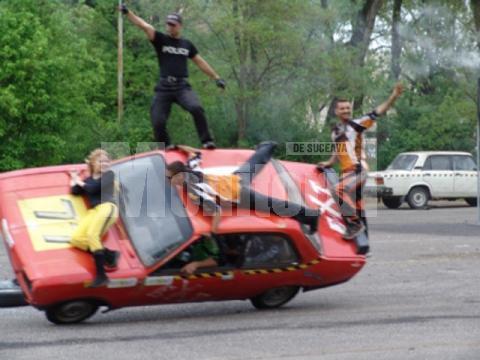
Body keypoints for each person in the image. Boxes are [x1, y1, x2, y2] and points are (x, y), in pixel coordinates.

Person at [120, 5, 225, 150]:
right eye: (168, 24)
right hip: (164, 87)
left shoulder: (187, 44)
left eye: (173, 25)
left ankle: (207, 141)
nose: (170, 27)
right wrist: (128, 12)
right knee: (157, 121)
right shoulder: (161, 40)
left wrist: (216, 77)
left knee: (196, 108)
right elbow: (144, 25)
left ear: (180, 26)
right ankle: (166, 146)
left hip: (182, 87)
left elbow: (200, 62)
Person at [166, 142, 320, 234]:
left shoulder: (194, 190)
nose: (167, 180)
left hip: (239, 195)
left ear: (179, 176)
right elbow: (194, 153)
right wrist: (178, 146)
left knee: (276, 206)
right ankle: (268, 146)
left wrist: (213, 232)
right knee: (252, 164)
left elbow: (217, 211)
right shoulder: (190, 168)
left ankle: (311, 216)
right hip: (233, 179)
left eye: (169, 177)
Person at [316, 83, 404, 240]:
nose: (346, 110)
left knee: (337, 191)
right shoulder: (336, 131)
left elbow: (378, 112)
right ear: (336, 111)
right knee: (356, 205)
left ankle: (355, 225)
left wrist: (393, 96)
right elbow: (338, 150)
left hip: (358, 170)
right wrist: (329, 162)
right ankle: (362, 242)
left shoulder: (357, 124)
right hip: (346, 173)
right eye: (342, 108)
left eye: (348, 108)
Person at [70, 149, 120, 288]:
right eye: (100, 161)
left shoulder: (109, 175)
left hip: (107, 207)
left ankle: (101, 276)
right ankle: (109, 255)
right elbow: (74, 191)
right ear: (93, 164)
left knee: (92, 235)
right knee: (77, 239)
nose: (104, 164)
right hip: (94, 211)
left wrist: (77, 180)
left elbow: (91, 189)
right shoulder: (88, 180)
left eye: (106, 161)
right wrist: (73, 178)